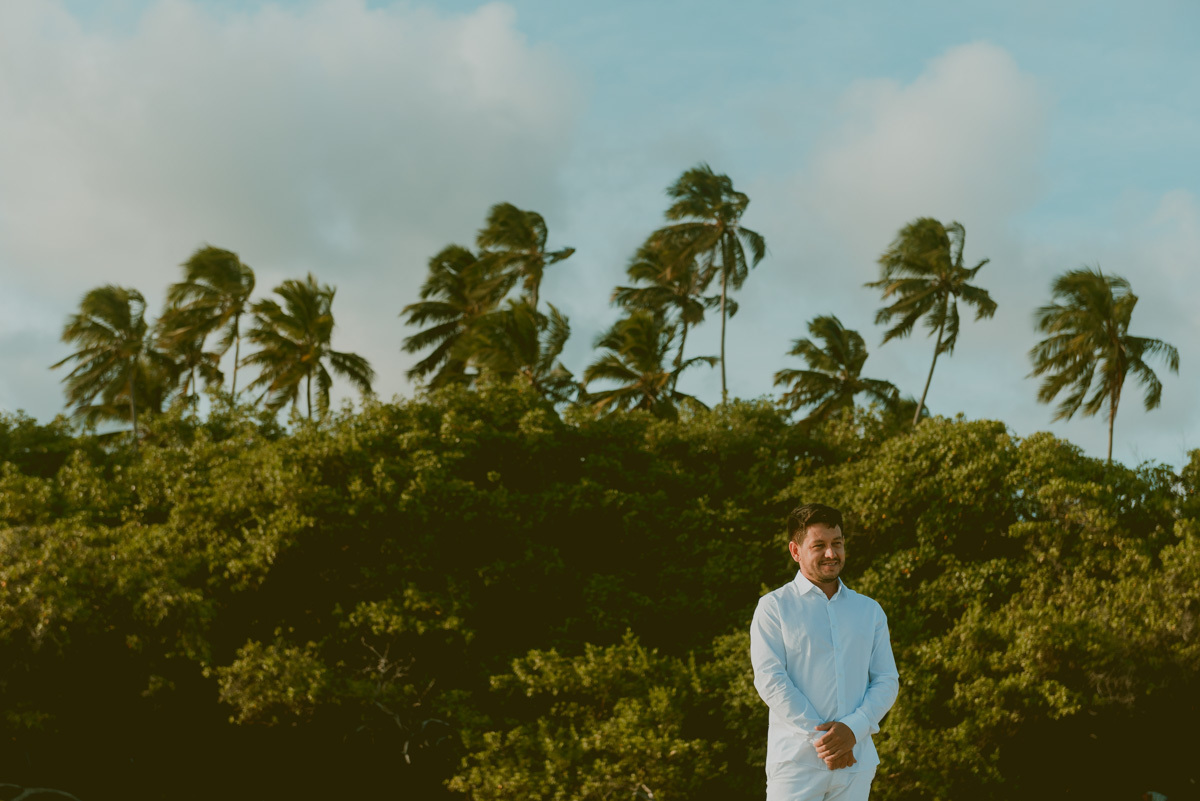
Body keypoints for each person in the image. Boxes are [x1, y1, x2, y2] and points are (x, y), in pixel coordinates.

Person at [750, 503, 899, 801]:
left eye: (837, 544)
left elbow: (886, 680)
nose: (831, 553)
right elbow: (771, 681)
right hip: (796, 766)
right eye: (819, 545)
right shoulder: (774, 607)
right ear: (796, 551)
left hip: (855, 765)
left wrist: (852, 731)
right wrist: (829, 741)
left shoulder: (869, 610)